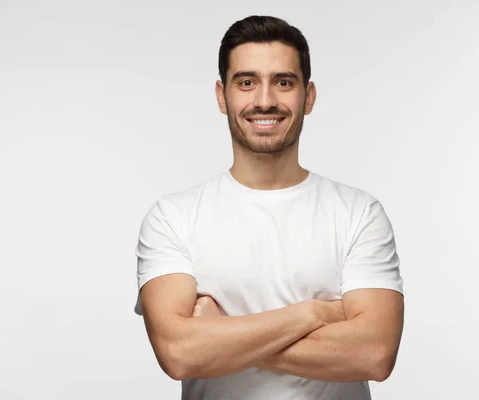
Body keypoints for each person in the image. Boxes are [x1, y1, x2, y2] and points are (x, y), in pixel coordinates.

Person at [134, 15, 404, 400]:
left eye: (283, 82)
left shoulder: (358, 213)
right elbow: (178, 353)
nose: (264, 100)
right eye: (246, 82)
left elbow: (375, 354)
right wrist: (314, 314)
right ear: (221, 95)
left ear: (308, 97)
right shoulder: (172, 217)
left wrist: (224, 335)